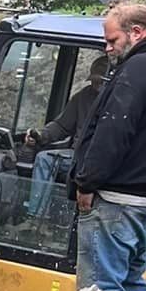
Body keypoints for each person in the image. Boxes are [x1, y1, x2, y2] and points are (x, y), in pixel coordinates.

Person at [72, 0, 146, 291]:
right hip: (141, 202)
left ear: (137, 32)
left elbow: (114, 128)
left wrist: (87, 181)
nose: (108, 48)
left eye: (112, 40)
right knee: (130, 290)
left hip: (116, 201)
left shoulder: (135, 70)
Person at [24, 53, 109, 217]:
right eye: (94, 81)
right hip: (76, 155)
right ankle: (36, 216)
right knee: (44, 159)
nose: (95, 85)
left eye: (100, 81)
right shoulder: (83, 97)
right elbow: (62, 125)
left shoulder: (120, 100)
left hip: (102, 160)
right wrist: (41, 135)